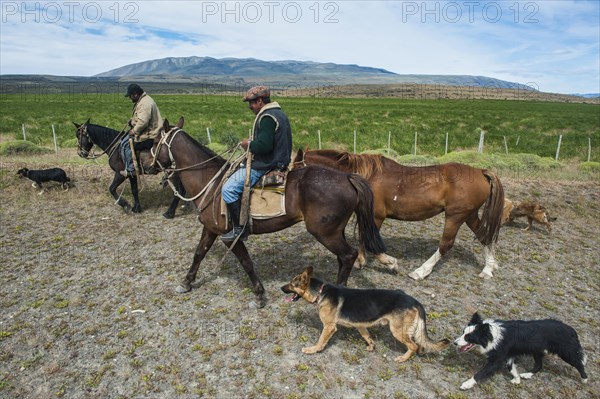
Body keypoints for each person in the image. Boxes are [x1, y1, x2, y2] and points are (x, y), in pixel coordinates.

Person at [220, 86, 292, 242]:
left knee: (228, 189)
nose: (250, 107)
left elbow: (265, 146)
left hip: (266, 165)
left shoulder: (267, 118)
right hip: (279, 161)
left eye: (251, 103)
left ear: (260, 101)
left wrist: (249, 144)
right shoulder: (279, 113)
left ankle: (240, 229)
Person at [120, 83, 163, 177]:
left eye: (130, 96)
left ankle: (131, 169)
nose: (130, 98)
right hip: (151, 131)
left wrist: (133, 131)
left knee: (125, 144)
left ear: (135, 94)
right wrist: (132, 122)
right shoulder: (145, 100)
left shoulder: (144, 103)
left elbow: (143, 122)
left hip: (150, 134)